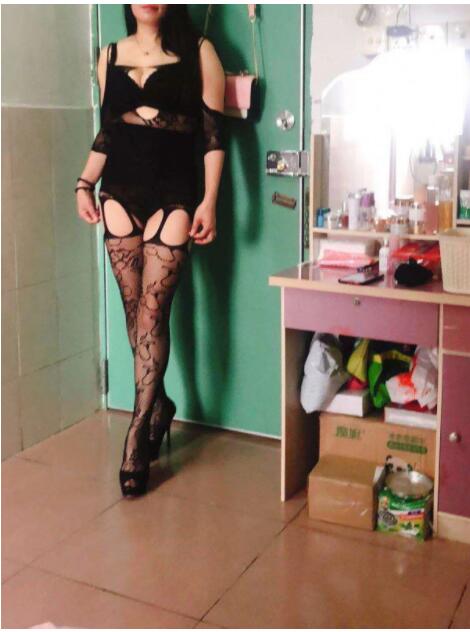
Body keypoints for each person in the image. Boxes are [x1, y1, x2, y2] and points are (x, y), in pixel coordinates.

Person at [75, 4, 226, 497]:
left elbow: (213, 135)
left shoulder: (199, 52)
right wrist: (84, 184)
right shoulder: (108, 56)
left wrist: (209, 201)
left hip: (175, 195)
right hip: (119, 191)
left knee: (153, 313)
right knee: (133, 311)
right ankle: (159, 404)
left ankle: (138, 432)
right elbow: (107, 131)